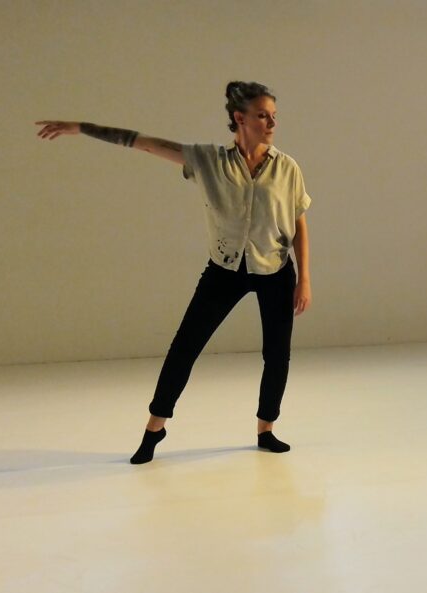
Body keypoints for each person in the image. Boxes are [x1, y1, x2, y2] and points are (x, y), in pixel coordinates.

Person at [35, 80, 312, 465]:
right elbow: (142, 142)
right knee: (184, 349)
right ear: (239, 118)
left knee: (277, 355)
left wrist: (305, 280)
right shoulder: (207, 161)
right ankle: (154, 428)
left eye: (274, 116)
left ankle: (266, 429)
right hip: (224, 269)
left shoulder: (287, 167)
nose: (271, 123)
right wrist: (80, 128)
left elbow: (299, 220)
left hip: (276, 271)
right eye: (263, 115)